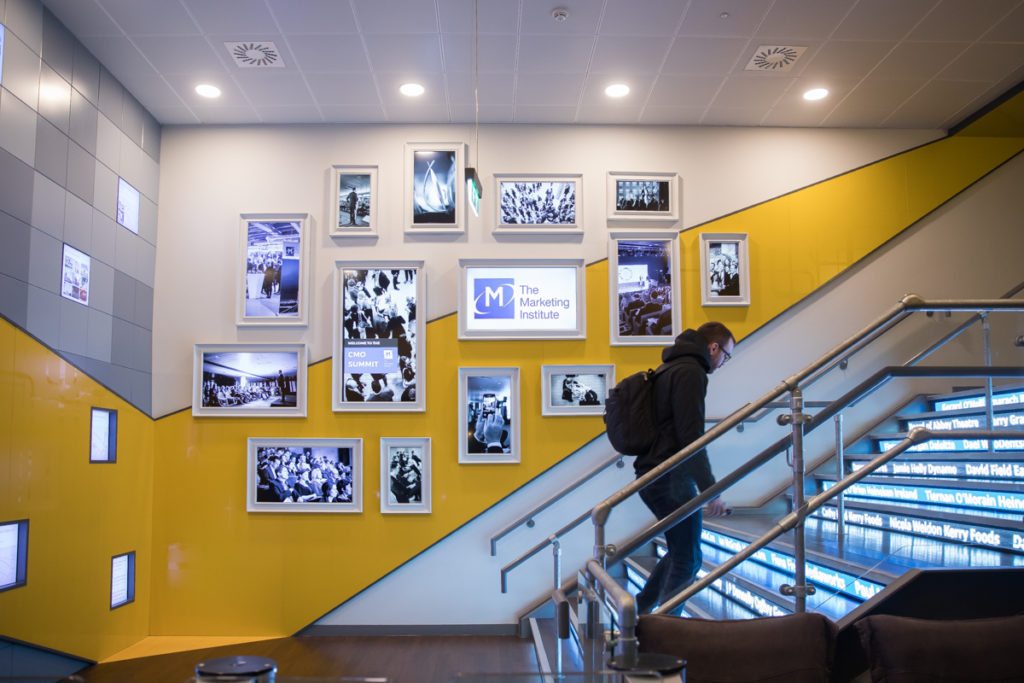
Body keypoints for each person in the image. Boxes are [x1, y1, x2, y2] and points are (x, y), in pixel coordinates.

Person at [633, 321, 735, 615]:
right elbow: (691, 438)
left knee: (680, 552)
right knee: (688, 559)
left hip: (654, 473)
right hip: (670, 477)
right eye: (726, 355)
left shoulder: (670, 367)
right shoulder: (691, 372)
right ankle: (665, 632)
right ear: (713, 347)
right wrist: (711, 491)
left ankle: (640, 616)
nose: (723, 363)